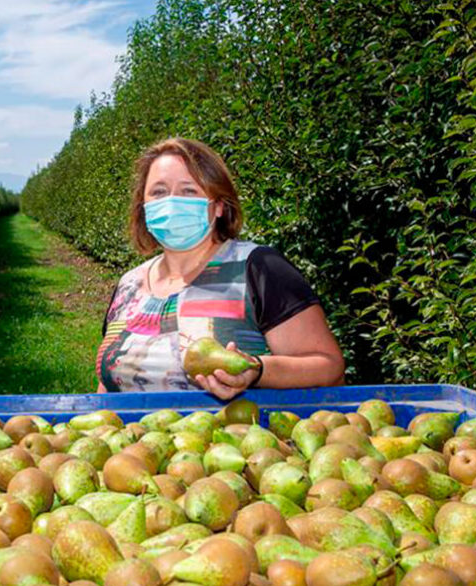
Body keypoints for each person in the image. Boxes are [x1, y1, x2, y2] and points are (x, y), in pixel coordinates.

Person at [96, 137, 345, 398]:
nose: (172, 202)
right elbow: (107, 384)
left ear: (218, 206)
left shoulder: (257, 268)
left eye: (188, 191)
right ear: (144, 206)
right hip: (132, 438)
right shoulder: (129, 285)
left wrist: (257, 370)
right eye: (159, 192)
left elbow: (329, 366)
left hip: (232, 436)